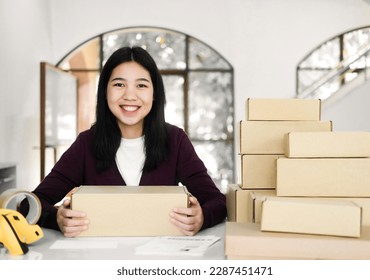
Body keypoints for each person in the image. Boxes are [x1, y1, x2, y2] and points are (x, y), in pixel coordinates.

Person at [26, 46, 227, 237]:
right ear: (105, 92)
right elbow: (31, 204)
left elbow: (218, 202)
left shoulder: (175, 140)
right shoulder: (86, 143)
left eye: (141, 85)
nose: (130, 95)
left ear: (154, 93)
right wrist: (58, 218)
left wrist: (201, 218)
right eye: (119, 84)